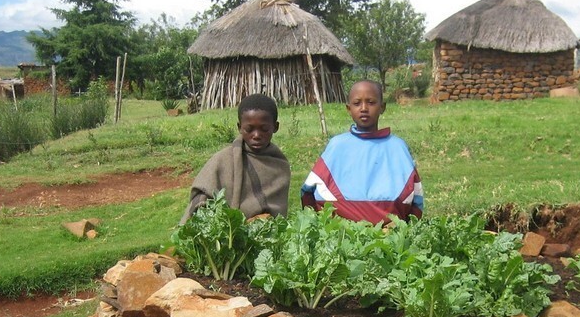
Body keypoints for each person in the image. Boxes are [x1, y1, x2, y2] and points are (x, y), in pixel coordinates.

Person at [300, 80, 423, 224]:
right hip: (340, 234)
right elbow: (308, 192)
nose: (364, 108)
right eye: (357, 103)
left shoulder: (397, 148)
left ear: (382, 107)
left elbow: (415, 197)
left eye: (371, 102)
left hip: (388, 234)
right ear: (348, 108)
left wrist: (401, 227)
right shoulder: (337, 146)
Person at [179, 93, 291, 224]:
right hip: (222, 236)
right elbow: (201, 198)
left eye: (264, 129)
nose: (256, 135)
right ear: (239, 127)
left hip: (266, 236)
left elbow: (277, 214)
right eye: (249, 129)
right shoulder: (222, 160)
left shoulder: (279, 165)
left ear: (275, 127)